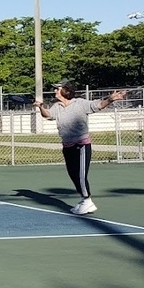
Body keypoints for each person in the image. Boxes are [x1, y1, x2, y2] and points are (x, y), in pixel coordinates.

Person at [34, 83, 128, 215]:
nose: (55, 91)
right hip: (67, 146)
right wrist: (41, 107)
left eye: (58, 89)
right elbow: (48, 115)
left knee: (81, 175)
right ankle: (84, 200)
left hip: (82, 145)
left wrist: (111, 99)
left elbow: (98, 105)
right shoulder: (57, 106)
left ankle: (87, 200)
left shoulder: (80, 103)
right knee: (73, 174)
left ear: (65, 91)